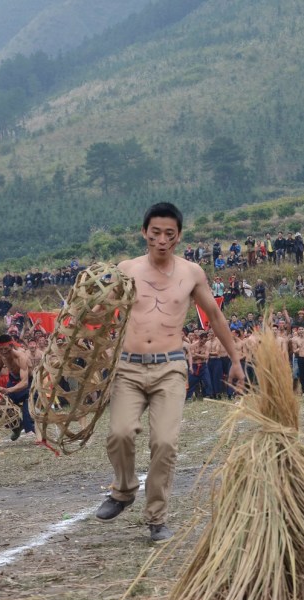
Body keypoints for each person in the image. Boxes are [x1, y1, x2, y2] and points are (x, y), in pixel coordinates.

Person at [94, 202, 244, 543]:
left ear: (178, 238)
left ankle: (157, 518)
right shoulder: (126, 269)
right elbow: (103, 311)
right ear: (144, 232)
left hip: (170, 367)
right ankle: (123, 490)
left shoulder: (191, 273)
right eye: (155, 232)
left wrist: (235, 359)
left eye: (169, 234)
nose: (161, 240)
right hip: (129, 366)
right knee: (119, 434)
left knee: (164, 442)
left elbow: (216, 317)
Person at [0, 334, 36, 441]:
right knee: (2, 408)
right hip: (13, 380)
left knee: (27, 408)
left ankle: (31, 428)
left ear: (11, 345)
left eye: (6, 349)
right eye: (1, 349)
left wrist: (8, 390)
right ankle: (17, 427)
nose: (4, 351)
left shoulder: (21, 357)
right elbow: (2, 360)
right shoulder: (1, 353)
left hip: (28, 382)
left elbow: (25, 383)